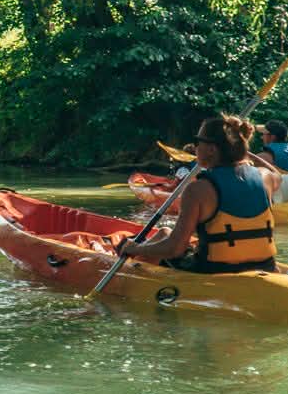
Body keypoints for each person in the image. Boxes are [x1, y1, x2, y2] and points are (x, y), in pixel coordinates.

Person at [117, 113, 279, 274]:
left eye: (197, 142)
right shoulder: (265, 177)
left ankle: (131, 274)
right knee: (164, 232)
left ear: (211, 149)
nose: (195, 148)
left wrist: (136, 248)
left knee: (162, 239)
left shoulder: (198, 190)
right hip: (265, 267)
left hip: (215, 271)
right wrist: (241, 150)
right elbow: (277, 174)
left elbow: (175, 249)